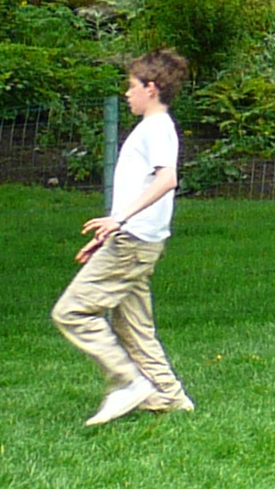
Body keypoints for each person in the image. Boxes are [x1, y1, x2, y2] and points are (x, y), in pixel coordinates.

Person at [55, 50, 195, 424]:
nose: (127, 94)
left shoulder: (157, 128)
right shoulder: (151, 128)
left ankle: (128, 381)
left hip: (134, 242)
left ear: (151, 88)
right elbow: (141, 186)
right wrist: (110, 231)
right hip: (132, 240)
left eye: (131, 87)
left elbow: (167, 180)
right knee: (133, 325)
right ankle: (169, 396)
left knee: (70, 312)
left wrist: (119, 221)